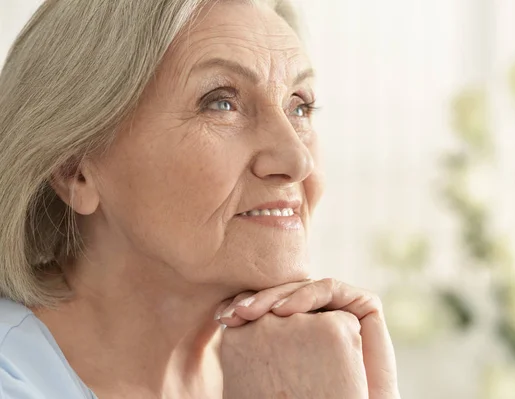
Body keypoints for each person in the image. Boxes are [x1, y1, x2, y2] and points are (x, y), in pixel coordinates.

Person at [0, 0, 400, 397]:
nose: (297, 159)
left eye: (300, 106)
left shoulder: (305, 365)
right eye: (221, 103)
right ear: (75, 170)